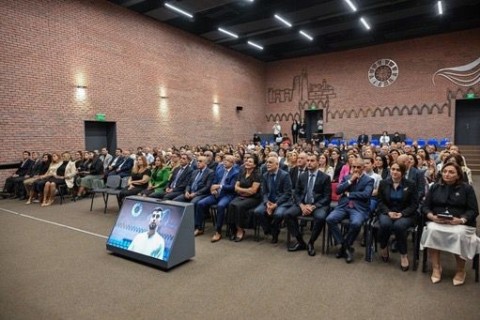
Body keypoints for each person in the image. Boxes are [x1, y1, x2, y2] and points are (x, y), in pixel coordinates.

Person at [421, 162, 480, 285]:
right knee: (432, 230)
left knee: (459, 234)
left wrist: (461, 220)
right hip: (438, 221)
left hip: (460, 223)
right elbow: (425, 207)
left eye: (451, 172)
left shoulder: (467, 189)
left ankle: (460, 270)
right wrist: (432, 216)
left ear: (458, 175)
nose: (447, 174)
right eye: (445, 171)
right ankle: (436, 268)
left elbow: (473, 210)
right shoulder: (435, 187)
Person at [326, 158, 374, 263]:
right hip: (343, 206)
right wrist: (350, 180)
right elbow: (338, 190)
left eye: (358, 167)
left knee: (356, 223)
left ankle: (344, 247)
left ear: (363, 168)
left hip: (358, 208)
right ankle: (345, 246)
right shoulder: (347, 177)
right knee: (330, 219)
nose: (356, 169)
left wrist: (349, 194)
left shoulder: (369, 180)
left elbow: (366, 194)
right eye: (354, 167)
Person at [285, 154, 331, 256]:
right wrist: (301, 205)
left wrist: (313, 206)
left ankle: (311, 242)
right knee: (288, 214)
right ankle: (300, 242)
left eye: (312, 161)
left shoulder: (325, 177)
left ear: (318, 162)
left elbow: (327, 197)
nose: (309, 163)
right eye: (308, 160)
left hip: (317, 205)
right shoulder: (302, 176)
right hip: (303, 204)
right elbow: (296, 194)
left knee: (320, 217)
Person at [377, 162, 418, 271]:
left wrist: (402, 214)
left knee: (399, 226)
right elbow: (380, 202)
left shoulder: (411, 184)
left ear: (403, 172)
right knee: (385, 224)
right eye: (393, 169)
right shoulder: (383, 183)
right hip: (387, 211)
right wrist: (388, 212)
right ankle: (384, 246)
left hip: (405, 213)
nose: (394, 172)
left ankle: (403, 255)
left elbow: (414, 204)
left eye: (398, 170)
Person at [195, 155, 239, 242]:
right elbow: (214, 182)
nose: (224, 162)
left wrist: (219, 186)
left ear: (232, 163)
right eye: (224, 160)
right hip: (216, 194)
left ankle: (218, 231)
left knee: (221, 206)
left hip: (227, 195)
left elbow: (232, 187)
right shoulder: (220, 170)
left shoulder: (236, 172)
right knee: (200, 203)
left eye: (227, 160)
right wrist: (212, 189)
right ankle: (199, 227)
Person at [253, 156, 292, 244]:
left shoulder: (285, 175)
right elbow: (264, 192)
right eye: (267, 162)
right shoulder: (265, 175)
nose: (268, 164)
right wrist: (267, 203)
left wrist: (276, 204)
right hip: (269, 201)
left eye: (270, 162)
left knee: (278, 214)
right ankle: (270, 230)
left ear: (277, 164)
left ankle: (274, 232)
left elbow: (287, 193)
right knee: (258, 211)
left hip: (282, 202)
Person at [226, 155, 262, 242]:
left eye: (250, 162)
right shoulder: (242, 172)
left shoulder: (257, 174)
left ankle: (240, 230)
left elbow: (253, 191)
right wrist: (245, 190)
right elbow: (236, 187)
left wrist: (241, 190)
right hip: (242, 196)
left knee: (239, 206)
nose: (247, 163)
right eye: (247, 161)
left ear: (254, 165)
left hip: (254, 198)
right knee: (231, 205)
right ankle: (233, 229)